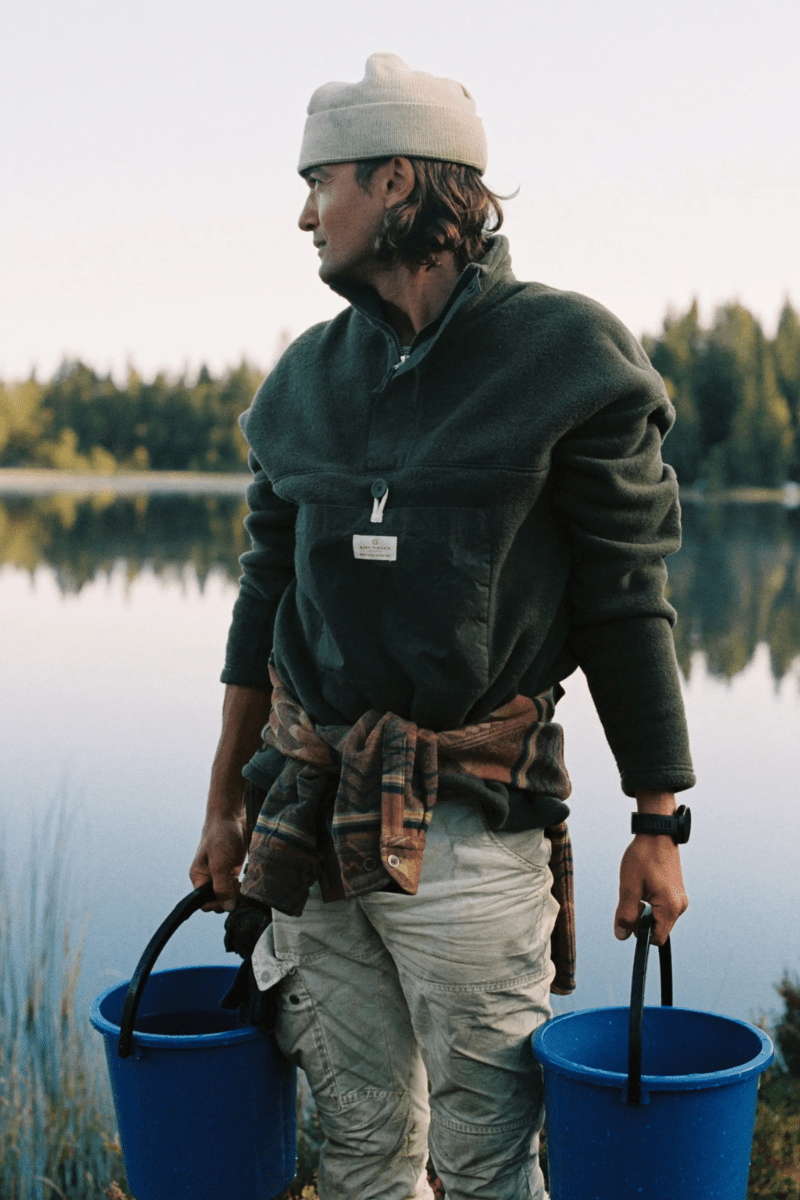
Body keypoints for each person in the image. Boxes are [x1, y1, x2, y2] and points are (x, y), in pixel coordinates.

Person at [190, 52, 694, 1200]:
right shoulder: (301, 383)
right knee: (362, 1151)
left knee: (484, 1164)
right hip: (308, 820)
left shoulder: (568, 358)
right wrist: (223, 801)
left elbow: (626, 602)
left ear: (397, 181)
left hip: (471, 829)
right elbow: (261, 604)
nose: (304, 215)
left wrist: (657, 820)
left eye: (320, 183)